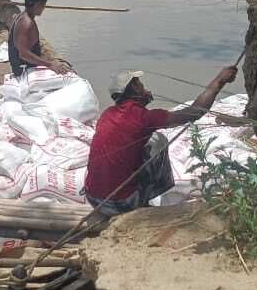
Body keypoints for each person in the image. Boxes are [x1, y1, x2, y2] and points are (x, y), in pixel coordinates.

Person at [83, 65, 238, 217]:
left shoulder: (107, 114)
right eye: (141, 86)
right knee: (159, 141)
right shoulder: (141, 118)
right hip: (119, 204)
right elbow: (192, 113)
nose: (145, 90)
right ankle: (147, 199)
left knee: (141, 145)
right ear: (135, 89)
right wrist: (219, 81)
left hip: (94, 199)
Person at [8, 0, 69, 77]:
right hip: (23, 72)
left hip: (25, 67)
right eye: (43, 5)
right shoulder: (26, 24)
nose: (44, 8)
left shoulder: (22, 16)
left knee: (62, 69)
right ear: (38, 5)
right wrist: (50, 64)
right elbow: (23, 55)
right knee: (67, 77)